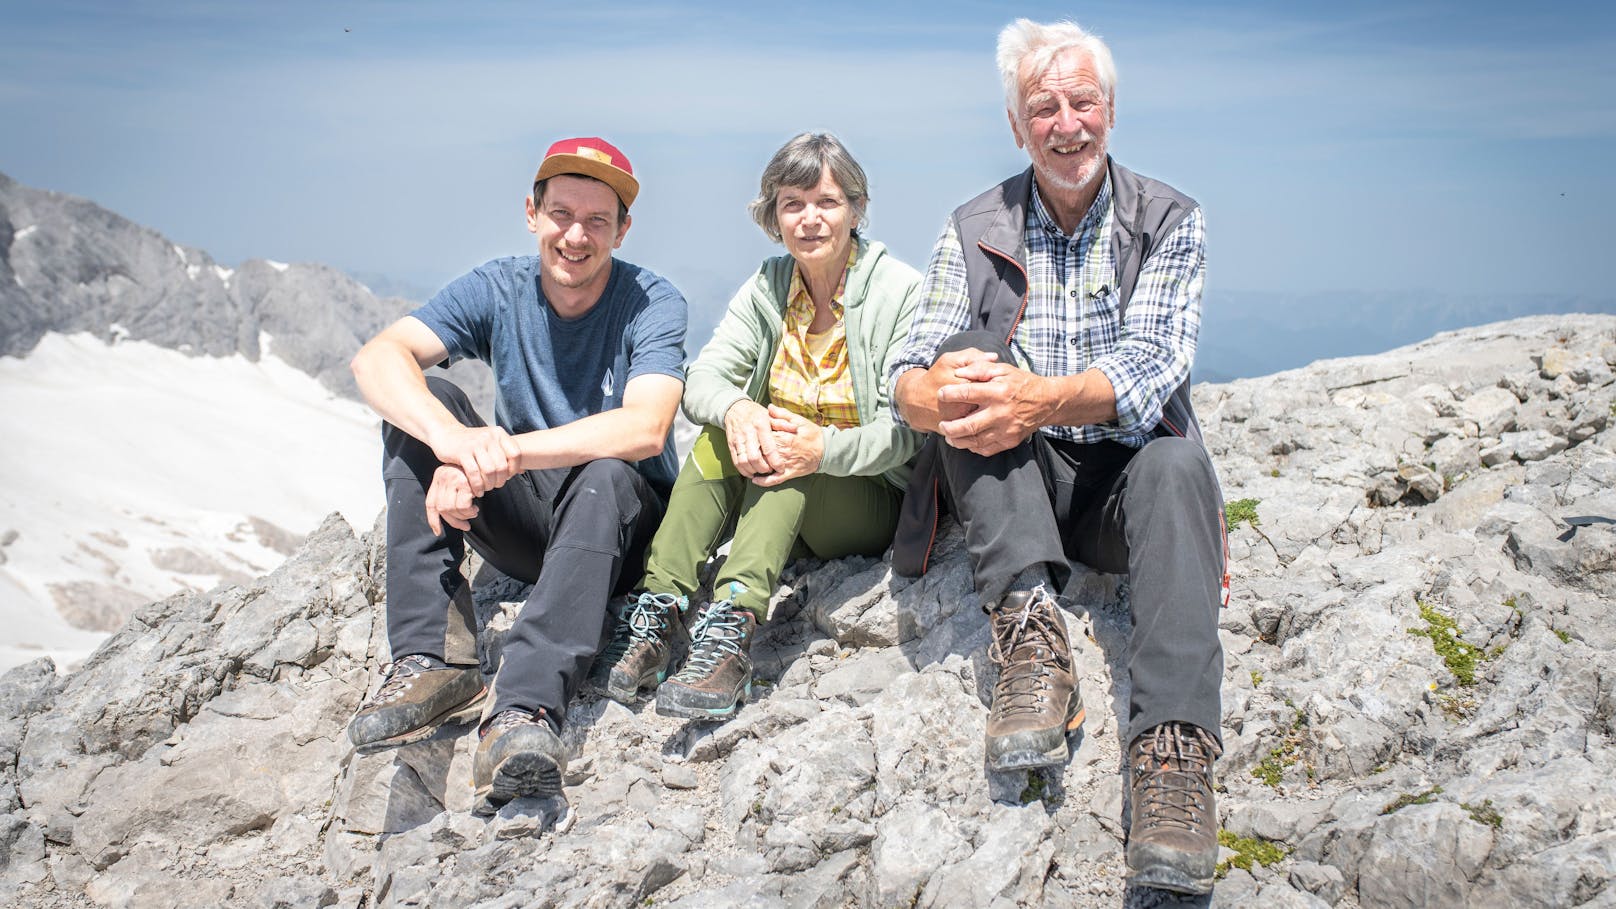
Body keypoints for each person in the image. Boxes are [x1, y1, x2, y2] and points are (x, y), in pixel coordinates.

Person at [887, 20, 1227, 896]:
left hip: (1127, 483)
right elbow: (910, 367)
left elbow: (1154, 366)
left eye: (1083, 104)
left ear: (1110, 112)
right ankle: (1034, 642)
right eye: (1045, 108)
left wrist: (1034, 396)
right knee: (966, 378)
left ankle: (1172, 752)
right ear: (1016, 125)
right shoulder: (972, 225)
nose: (1066, 124)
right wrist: (942, 394)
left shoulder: (1170, 220)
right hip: (1018, 476)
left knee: (1180, 464)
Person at [344, 137, 687, 816]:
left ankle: (523, 710)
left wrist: (505, 453)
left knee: (609, 472)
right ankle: (434, 660)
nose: (576, 235)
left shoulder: (653, 301)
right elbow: (378, 358)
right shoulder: (498, 287)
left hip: (622, 534)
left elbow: (646, 426)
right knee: (427, 407)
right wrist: (455, 444)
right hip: (532, 523)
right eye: (561, 213)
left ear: (623, 229)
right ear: (532, 214)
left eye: (597, 220)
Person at [587, 132, 922, 721]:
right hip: (787, 487)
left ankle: (731, 632)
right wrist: (739, 409)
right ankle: (656, 611)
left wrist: (825, 448)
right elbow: (706, 378)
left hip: (868, 496)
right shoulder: (770, 285)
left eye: (827, 202)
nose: (810, 219)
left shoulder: (900, 293)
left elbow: (909, 431)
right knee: (725, 433)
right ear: (774, 216)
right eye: (793, 204)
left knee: (789, 446)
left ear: (856, 208)